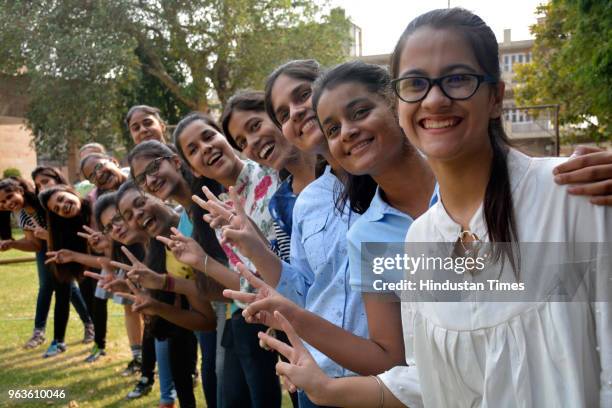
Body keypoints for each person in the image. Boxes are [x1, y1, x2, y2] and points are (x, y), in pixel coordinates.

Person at [258, 8, 611, 408]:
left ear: (496, 96)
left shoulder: (572, 195)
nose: (436, 98)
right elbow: (434, 375)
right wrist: (323, 385)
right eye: (417, 84)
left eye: (458, 79)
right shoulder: (418, 241)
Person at [173, 112, 282, 408]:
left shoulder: (270, 172)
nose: (205, 147)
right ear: (193, 169)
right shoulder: (220, 212)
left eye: (208, 136)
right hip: (283, 321)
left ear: (225, 138)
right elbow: (247, 283)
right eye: (193, 149)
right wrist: (201, 260)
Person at [127, 140, 227, 407]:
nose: (150, 179)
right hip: (231, 328)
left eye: (153, 167)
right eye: (142, 179)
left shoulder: (217, 194)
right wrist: (159, 292)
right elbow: (208, 305)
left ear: (175, 160)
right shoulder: (182, 230)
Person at [0, 177, 75, 355]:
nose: (8, 203)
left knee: (69, 289)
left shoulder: (44, 202)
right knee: (52, 288)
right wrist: (12, 244)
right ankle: (43, 333)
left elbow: (66, 231)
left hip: (67, 249)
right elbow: (35, 245)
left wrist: (47, 235)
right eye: (2, 202)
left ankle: (88, 328)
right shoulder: (22, 213)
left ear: (20, 190)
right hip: (47, 250)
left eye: (10, 196)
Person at [38, 184, 109, 362]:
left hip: (122, 262)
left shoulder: (98, 208)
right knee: (92, 301)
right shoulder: (65, 228)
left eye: (62, 199)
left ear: (70, 191)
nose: (63, 206)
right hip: (91, 266)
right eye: (57, 208)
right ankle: (99, 345)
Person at [31, 166, 95, 344]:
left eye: (45, 181)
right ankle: (58, 340)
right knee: (59, 289)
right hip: (62, 255)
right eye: (38, 185)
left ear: (59, 181)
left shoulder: (90, 202)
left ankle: (91, 329)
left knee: (79, 291)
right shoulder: (45, 208)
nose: (42, 187)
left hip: (82, 255)